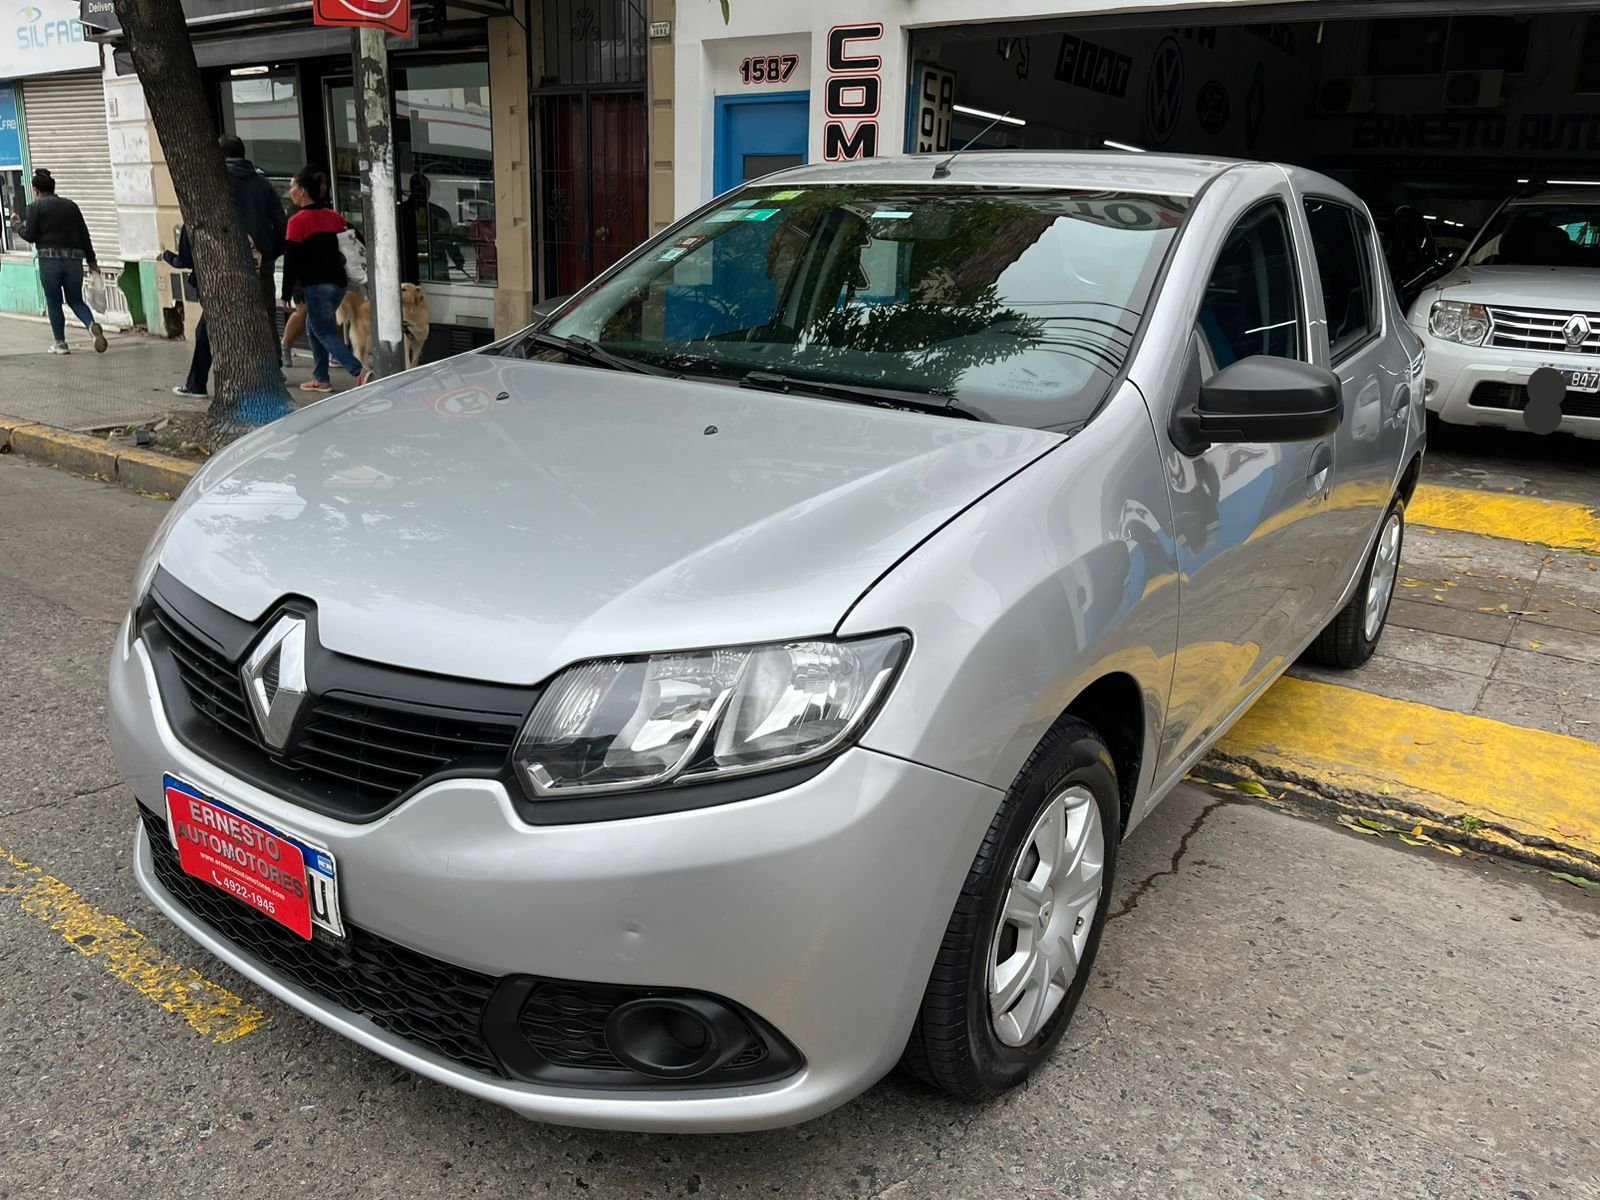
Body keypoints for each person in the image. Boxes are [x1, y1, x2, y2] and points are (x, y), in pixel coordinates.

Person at [280, 165, 369, 392]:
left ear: (302, 191)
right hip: (338, 283)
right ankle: (321, 378)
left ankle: (359, 371)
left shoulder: (297, 221)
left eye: (293, 187)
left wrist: (286, 292)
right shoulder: (333, 216)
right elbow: (356, 238)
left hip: (316, 284)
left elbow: (291, 260)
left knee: (323, 331)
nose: (290, 192)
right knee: (313, 327)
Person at [8, 168, 106, 355]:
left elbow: (30, 236)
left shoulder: (35, 208)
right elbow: (84, 234)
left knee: (54, 301)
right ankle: (90, 325)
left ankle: (60, 344)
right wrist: (92, 261)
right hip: (73, 260)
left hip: (49, 261)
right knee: (76, 300)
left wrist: (17, 225)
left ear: (35, 190)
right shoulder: (71, 206)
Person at [218, 134, 287, 337]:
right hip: (262, 259)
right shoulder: (262, 184)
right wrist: (272, 251)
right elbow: (281, 223)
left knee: (232, 319)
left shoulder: (218, 185)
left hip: (227, 261)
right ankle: (272, 354)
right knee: (267, 316)